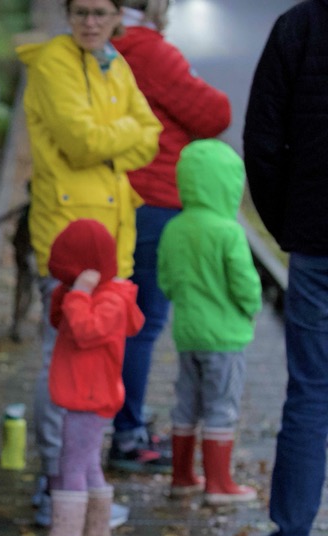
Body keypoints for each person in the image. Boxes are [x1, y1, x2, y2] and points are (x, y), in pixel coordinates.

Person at [16, 0, 161, 528]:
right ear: (68, 13)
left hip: (111, 239)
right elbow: (80, 144)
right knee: (62, 363)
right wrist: (119, 139)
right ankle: (55, 486)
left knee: (95, 367)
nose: (90, 22)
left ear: (118, 15)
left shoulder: (112, 61)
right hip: (69, 241)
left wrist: (111, 143)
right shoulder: (55, 61)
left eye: (101, 12)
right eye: (80, 11)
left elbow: (152, 135)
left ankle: (75, 483)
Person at [108, 0, 231, 473]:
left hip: (116, 196)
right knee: (142, 321)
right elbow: (214, 113)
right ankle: (128, 435)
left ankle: (120, 423)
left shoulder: (105, 47)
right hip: (155, 199)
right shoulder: (151, 50)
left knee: (120, 313)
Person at [243, 0, 328, 536]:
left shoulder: (298, 26)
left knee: (312, 395)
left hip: (317, 242)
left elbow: (263, 140)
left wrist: (286, 225)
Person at [19, 219, 144, 536]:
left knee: (71, 465)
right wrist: (69, 291)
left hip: (90, 397)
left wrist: (78, 294)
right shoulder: (95, 295)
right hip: (85, 394)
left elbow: (85, 331)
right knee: (88, 465)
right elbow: (60, 321)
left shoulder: (110, 301)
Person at [157, 139, 261, 505]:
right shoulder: (228, 231)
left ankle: (182, 477)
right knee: (221, 406)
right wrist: (250, 307)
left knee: (186, 404)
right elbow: (244, 283)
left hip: (187, 334)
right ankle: (219, 484)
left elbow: (166, 280)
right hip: (224, 337)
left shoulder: (174, 228)